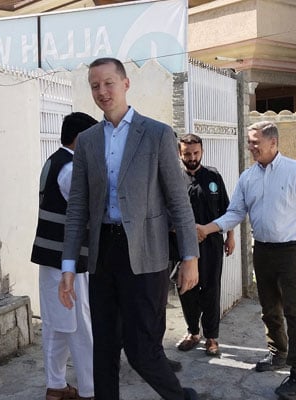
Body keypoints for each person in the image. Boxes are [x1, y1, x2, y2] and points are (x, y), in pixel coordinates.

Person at [58, 57, 200, 400]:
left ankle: (181, 397)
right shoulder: (88, 141)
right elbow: (77, 208)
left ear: (125, 84)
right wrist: (67, 265)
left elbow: (178, 201)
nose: (102, 91)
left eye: (108, 83)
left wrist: (190, 257)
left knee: (142, 349)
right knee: (103, 346)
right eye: (95, 85)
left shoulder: (156, 134)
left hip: (147, 253)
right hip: (103, 252)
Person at [197, 121, 296, 400]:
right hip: (263, 250)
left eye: (255, 142)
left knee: (294, 311)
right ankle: (278, 353)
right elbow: (235, 213)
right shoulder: (248, 177)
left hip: (293, 250)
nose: (251, 147)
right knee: (269, 307)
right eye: (249, 142)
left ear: (273, 143)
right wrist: (208, 229)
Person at [31, 112, 97, 400]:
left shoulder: (53, 161)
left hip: (53, 262)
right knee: (79, 328)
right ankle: (90, 390)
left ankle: (56, 386)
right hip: (67, 263)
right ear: (81, 139)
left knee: (57, 327)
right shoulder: (70, 169)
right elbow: (92, 211)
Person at [174, 133, 234, 357]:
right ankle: (192, 332)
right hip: (182, 244)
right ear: (180, 153)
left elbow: (227, 210)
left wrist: (231, 236)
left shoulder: (213, 176)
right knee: (186, 289)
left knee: (211, 289)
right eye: (187, 153)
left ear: (202, 152)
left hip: (212, 243)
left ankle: (211, 337)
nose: (192, 157)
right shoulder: (174, 179)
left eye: (196, 153)